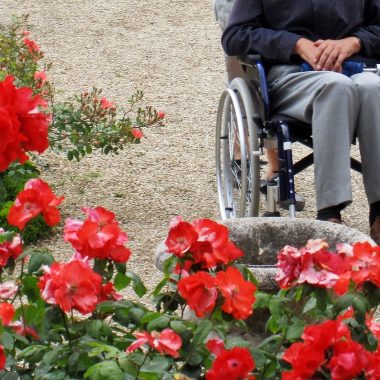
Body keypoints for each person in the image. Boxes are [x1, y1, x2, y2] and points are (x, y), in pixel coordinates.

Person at [221, 0, 380, 243]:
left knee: (374, 87)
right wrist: (295, 44)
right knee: (336, 86)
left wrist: (354, 42)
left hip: (354, 69)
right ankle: (329, 215)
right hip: (292, 77)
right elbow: (235, 36)